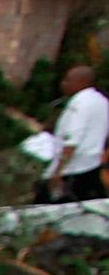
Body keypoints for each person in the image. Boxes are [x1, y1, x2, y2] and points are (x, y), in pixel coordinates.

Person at [50, 64, 107, 203]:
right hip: (92, 166)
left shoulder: (79, 104)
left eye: (67, 80)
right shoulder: (101, 101)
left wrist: (58, 172)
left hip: (73, 169)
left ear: (80, 83)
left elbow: (72, 140)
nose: (63, 84)